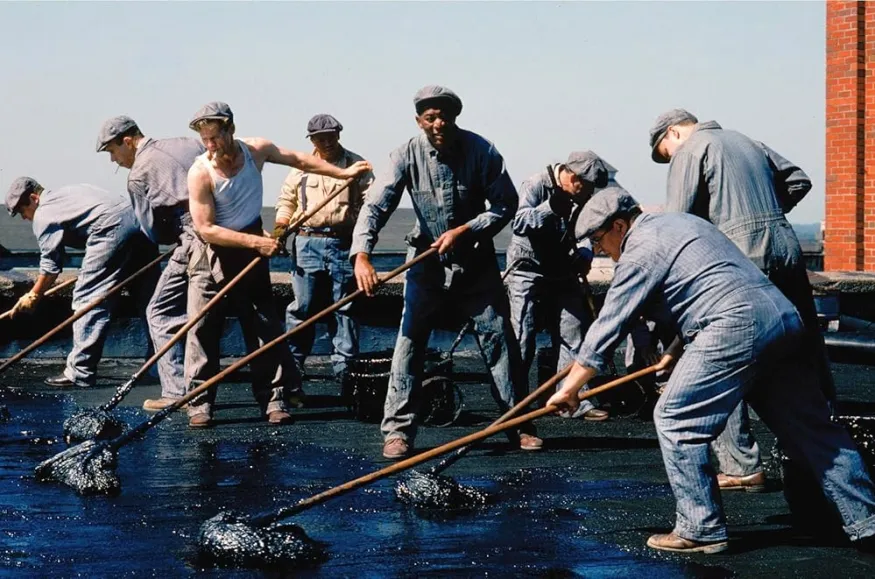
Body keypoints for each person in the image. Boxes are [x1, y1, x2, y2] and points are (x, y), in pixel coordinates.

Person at [548, 187, 875, 554]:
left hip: (735, 324)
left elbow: (610, 324)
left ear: (620, 225)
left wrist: (570, 388)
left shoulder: (640, 249)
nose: (601, 250)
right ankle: (867, 522)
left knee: (675, 417)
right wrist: (674, 350)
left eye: (598, 239)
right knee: (813, 428)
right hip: (781, 317)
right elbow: (711, 284)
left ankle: (700, 528)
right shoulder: (681, 223)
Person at [351, 85, 542, 460]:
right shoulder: (404, 154)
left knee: (499, 340)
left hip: (476, 265)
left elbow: (507, 204)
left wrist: (466, 230)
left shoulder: (482, 151)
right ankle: (398, 431)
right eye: (430, 117)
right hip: (426, 265)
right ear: (419, 120)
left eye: (444, 116)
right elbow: (376, 206)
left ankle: (518, 423)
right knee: (409, 343)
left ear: (456, 116)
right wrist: (362, 254)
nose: (438, 123)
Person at [649, 108, 833, 492]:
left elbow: (679, 220)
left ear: (673, 134)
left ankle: (739, 463)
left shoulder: (691, 150)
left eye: (665, 152)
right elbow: (799, 180)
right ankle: (820, 447)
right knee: (802, 344)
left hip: (739, 251)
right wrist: (764, 213)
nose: (669, 159)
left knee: (722, 353)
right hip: (786, 245)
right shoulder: (748, 141)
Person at [185, 101, 372, 428]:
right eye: (205, 141)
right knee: (202, 328)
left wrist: (342, 173)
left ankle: (274, 399)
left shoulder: (257, 150)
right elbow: (205, 228)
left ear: (230, 128)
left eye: (215, 137)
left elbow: (300, 160)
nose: (211, 146)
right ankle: (200, 403)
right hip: (212, 252)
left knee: (264, 326)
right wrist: (258, 242)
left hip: (251, 247)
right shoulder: (200, 172)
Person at [96, 115, 205, 411]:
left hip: (194, 238)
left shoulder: (137, 176)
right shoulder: (188, 143)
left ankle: (175, 392)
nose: (113, 160)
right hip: (226, 228)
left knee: (159, 311)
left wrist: (177, 235)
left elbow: (153, 231)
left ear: (128, 141)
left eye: (112, 151)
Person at [4, 177, 142, 388]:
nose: (24, 218)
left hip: (111, 227)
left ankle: (80, 372)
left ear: (33, 198)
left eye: (23, 211)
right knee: (149, 297)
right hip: (138, 220)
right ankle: (157, 370)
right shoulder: (68, 192)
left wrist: (34, 295)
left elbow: (50, 267)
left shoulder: (44, 213)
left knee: (87, 298)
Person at [505, 151, 609, 421]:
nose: (587, 195)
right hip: (527, 270)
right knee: (522, 337)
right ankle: (516, 405)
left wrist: (586, 253)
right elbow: (518, 223)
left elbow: (586, 230)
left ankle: (574, 399)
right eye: (585, 188)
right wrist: (550, 208)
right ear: (573, 177)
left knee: (574, 332)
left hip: (561, 269)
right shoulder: (535, 184)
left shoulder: (581, 196)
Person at [275, 114, 374, 386]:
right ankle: (292, 369)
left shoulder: (358, 165)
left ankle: (346, 371)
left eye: (330, 135)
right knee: (302, 307)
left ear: (339, 134)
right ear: (312, 140)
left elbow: (372, 206)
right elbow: (287, 201)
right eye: (320, 138)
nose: (326, 141)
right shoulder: (301, 168)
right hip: (307, 243)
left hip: (343, 244)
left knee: (345, 307)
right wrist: (281, 227)